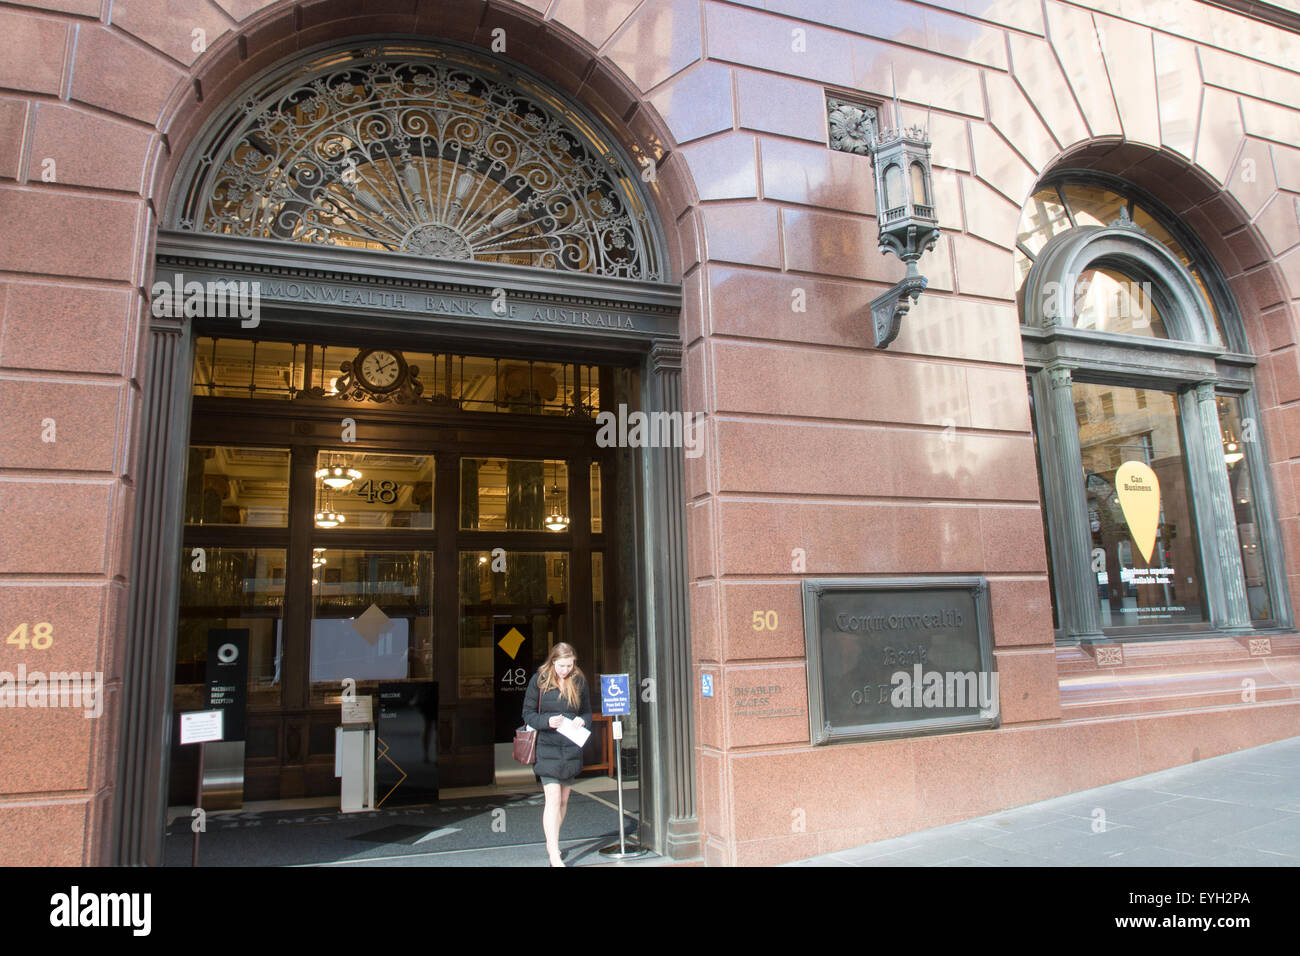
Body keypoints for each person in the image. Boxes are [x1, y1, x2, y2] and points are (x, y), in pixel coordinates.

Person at [522, 642, 591, 867]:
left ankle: (553, 841)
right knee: (552, 799)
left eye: (569, 665)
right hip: (547, 747)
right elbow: (528, 714)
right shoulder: (539, 680)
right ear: (553, 661)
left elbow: (587, 711)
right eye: (561, 665)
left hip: (570, 748)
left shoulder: (579, 680)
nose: (565, 670)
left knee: (563, 800)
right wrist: (547, 721)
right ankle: (553, 852)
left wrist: (583, 721)